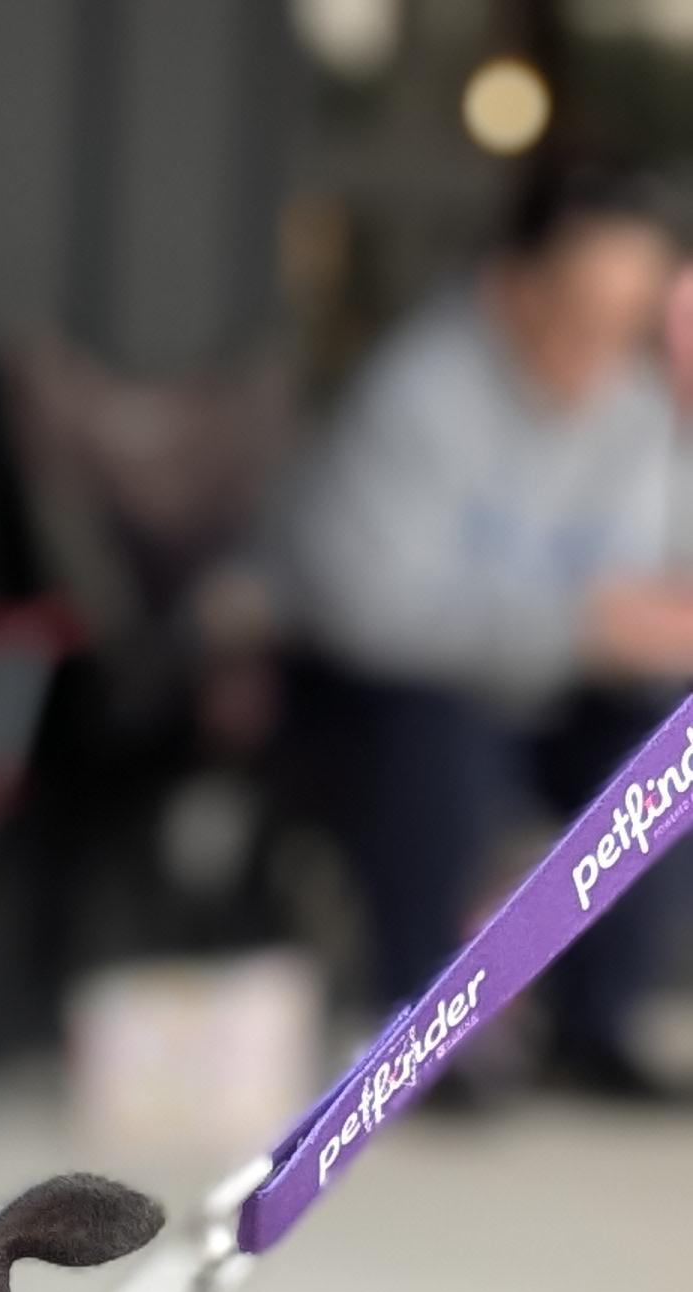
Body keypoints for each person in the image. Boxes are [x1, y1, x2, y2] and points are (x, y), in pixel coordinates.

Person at [278, 155, 693, 1092]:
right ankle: (423, 1040)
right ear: (512, 285)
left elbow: (650, 587)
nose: (600, 344)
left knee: (659, 738)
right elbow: (368, 612)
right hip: (371, 697)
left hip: (548, 697)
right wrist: (581, 627)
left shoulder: (641, 412)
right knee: (438, 738)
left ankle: (600, 1026)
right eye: (581, 312)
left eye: (627, 322)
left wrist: (647, 630)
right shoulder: (417, 393)